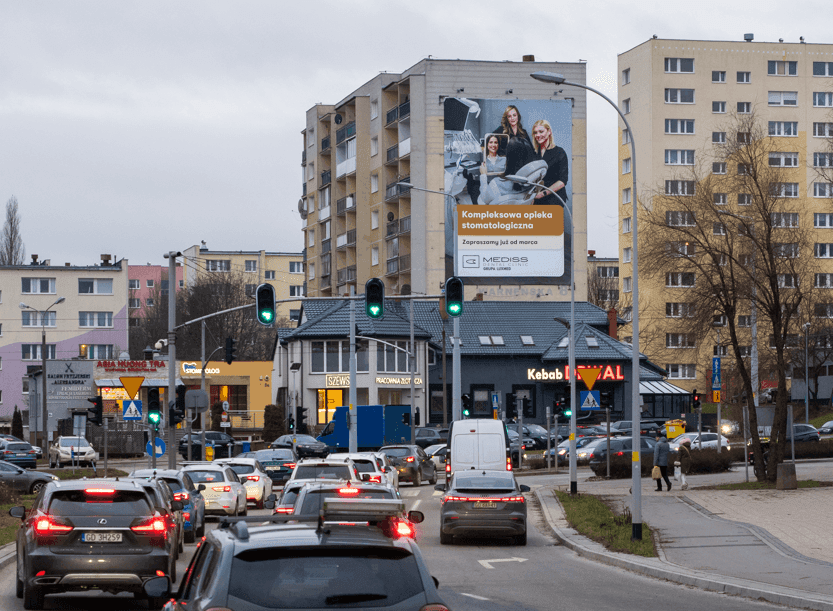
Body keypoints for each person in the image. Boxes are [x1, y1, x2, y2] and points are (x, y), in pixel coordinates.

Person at [531, 119, 569, 205]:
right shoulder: (533, 153)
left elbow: (562, 181)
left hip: (554, 198)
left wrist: (543, 193)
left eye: (541, 131)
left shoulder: (559, 152)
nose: (538, 135)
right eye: (535, 132)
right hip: (537, 199)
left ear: (549, 132)